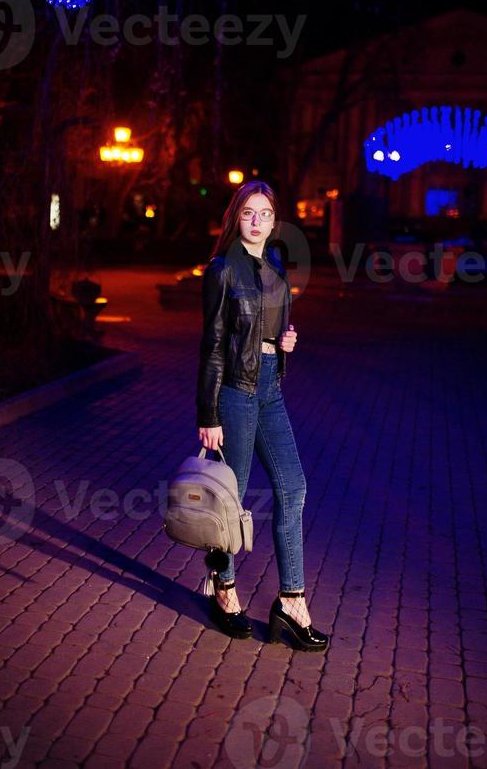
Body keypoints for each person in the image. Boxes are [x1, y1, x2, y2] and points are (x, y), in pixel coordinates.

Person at [196, 181, 329, 651]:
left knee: (294, 487)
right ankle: (223, 588)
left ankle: (291, 602)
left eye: (266, 214)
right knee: (231, 499)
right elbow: (212, 346)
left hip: (270, 388)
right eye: (249, 213)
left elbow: (269, 330)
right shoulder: (222, 269)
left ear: (275, 222)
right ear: (237, 217)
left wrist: (283, 343)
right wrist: (208, 413)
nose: (257, 221)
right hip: (234, 391)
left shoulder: (273, 265)